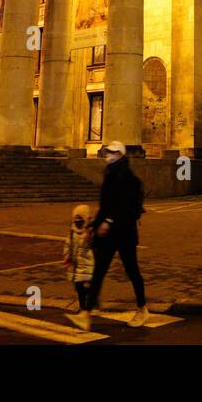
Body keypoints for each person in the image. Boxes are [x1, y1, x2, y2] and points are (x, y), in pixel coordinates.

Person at [67, 140, 149, 329]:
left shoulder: (129, 179)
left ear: (120, 155)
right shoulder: (110, 175)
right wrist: (92, 226)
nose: (107, 155)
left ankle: (142, 308)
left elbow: (128, 207)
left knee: (132, 270)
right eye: (107, 152)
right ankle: (86, 313)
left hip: (125, 233)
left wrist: (109, 221)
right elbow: (105, 207)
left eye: (111, 152)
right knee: (99, 271)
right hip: (109, 234)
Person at [62, 204, 96, 314]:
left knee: (87, 287)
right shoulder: (72, 232)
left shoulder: (90, 231)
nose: (78, 221)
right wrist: (67, 255)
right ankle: (82, 306)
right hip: (76, 265)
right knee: (79, 287)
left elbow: (95, 246)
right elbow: (68, 244)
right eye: (76, 219)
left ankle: (90, 305)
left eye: (80, 218)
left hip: (88, 265)